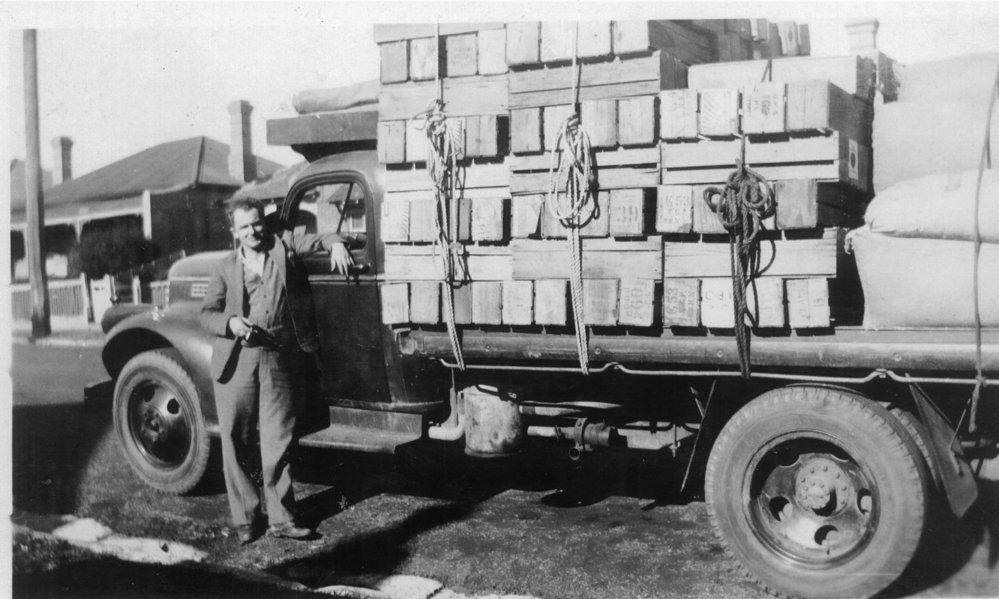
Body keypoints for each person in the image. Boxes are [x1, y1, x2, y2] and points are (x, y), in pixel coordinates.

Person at [200, 197, 353, 544]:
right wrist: (231, 322)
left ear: (262, 223)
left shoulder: (283, 247)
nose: (253, 231)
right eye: (244, 226)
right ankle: (246, 520)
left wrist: (336, 244)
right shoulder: (224, 267)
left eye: (256, 223)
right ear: (233, 231)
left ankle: (282, 520)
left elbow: (321, 238)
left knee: (278, 440)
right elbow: (206, 313)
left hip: (278, 359)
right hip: (238, 360)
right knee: (236, 441)